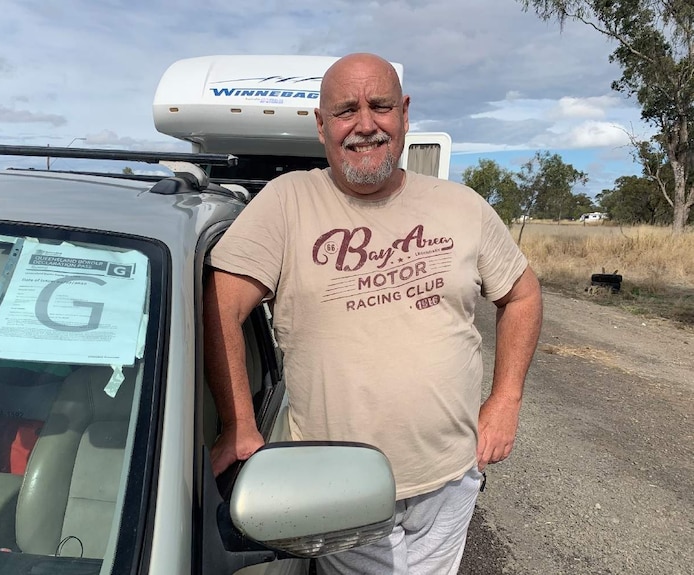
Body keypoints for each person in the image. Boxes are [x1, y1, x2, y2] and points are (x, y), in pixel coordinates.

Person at [203, 52, 543, 575]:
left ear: (404, 113)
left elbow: (521, 296)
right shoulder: (286, 202)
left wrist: (505, 400)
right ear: (321, 125)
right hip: (335, 489)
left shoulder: (462, 207)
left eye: (380, 105)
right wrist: (238, 424)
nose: (365, 124)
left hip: (449, 481)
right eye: (345, 110)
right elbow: (221, 305)